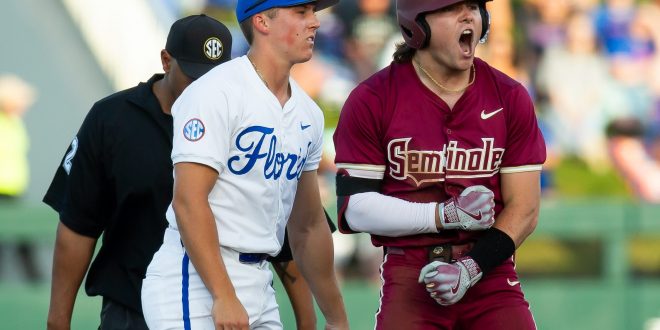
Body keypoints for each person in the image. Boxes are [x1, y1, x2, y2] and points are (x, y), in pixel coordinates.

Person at [333, 1, 546, 329]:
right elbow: (355, 208)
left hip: (490, 272)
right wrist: (441, 215)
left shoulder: (510, 96)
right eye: (451, 7)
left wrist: (471, 268)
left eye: (474, 6)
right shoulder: (372, 99)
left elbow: (526, 208)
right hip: (410, 275)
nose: (467, 15)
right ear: (416, 23)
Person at [141, 1, 349, 329]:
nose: (315, 23)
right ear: (262, 21)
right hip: (195, 279)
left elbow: (308, 226)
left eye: (313, 12)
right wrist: (223, 295)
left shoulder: (308, 113)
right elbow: (189, 201)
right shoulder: (216, 91)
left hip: (258, 280)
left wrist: (336, 318)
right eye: (301, 12)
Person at [43, 15, 233, 330]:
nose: (204, 88)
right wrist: (58, 320)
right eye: (194, 75)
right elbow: (78, 225)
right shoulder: (112, 118)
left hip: (220, 308)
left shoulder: (240, 122)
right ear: (166, 61)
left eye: (214, 77)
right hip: (133, 310)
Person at [0, 74, 39, 282]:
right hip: (2, 194)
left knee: (24, 244)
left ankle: (36, 286)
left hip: (14, 193)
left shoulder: (14, 123)